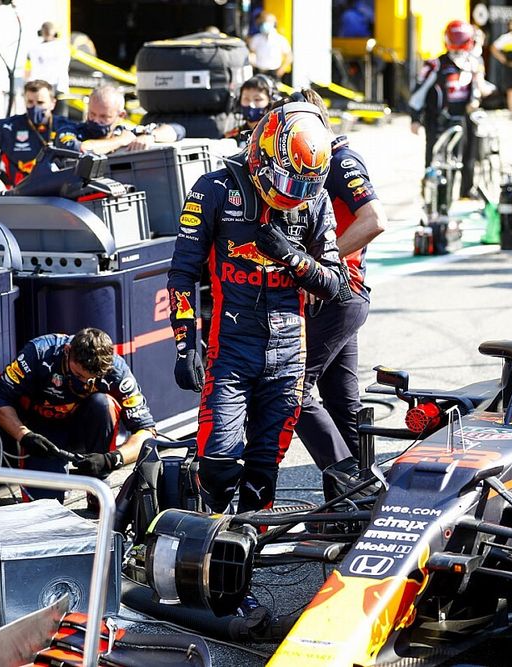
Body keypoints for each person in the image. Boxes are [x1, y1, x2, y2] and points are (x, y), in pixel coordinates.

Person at [167, 101, 352, 514]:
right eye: (287, 180)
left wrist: (292, 256)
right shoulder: (213, 189)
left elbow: (337, 287)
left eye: (304, 185)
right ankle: (206, 532)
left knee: (261, 476)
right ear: (263, 153)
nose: (294, 194)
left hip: (289, 354)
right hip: (231, 348)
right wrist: (185, 345)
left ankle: (244, 567)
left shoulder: (315, 201)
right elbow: (182, 273)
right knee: (218, 465)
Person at [290, 90, 388, 489]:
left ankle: (350, 483)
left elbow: (375, 219)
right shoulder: (309, 161)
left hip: (335, 293)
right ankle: (362, 498)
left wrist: (320, 265)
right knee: (343, 405)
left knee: (291, 392)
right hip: (341, 295)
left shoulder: (341, 160)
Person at [0, 328, 156, 500]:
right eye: (78, 375)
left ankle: (97, 481)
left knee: (103, 404)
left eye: (93, 378)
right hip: (42, 433)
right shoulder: (38, 353)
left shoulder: (117, 370)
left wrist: (112, 459)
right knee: (44, 508)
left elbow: (146, 432)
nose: (84, 384)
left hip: (84, 432)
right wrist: (24, 435)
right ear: (67, 351)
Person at [408, 19, 482, 199]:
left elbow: (477, 88)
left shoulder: (473, 63)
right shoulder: (435, 65)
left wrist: (475, 100)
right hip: (439, 118)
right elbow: (418, 93)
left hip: (463, 116)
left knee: (468, 155)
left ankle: (466, 190)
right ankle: (432, 195)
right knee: (434, 159)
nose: (457, 51)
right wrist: (415, 118)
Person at [0, 79, 79, 187]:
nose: (35, 107)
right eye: (30, 102)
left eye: (40, 102)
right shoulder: (9, 127)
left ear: (52, 103)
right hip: (22, 196)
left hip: (58, 194)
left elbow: (91, 138)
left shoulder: (65, 126)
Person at [76, 85, 186, 154]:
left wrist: (151, 136)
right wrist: (120, 141)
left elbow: (178, 130)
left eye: (104, 117)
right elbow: (80, 149)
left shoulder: (126, 132)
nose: (96, 120)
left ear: (121, 116)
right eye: (92, 114)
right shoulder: (73, 131)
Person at [26, 22, 70, 115]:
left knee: (54, 117)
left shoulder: (36, 49)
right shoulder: (62, 47)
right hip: (47, 88)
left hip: (53, 87)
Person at [225, 74, 280, 147]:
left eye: (257, 99)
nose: (251, 104)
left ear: (271, 102)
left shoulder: (279, 136)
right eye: (246, 99)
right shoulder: (231, 138)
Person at [248, 12, 293, 82]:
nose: (263, 24)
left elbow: (289, 57)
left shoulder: (280, 39)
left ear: (274, 23)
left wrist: (280, 71)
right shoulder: (256, 38)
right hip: (259, 72)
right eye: (263, 22)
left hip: (273, 73)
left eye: (266, 22)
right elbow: (251, 52)